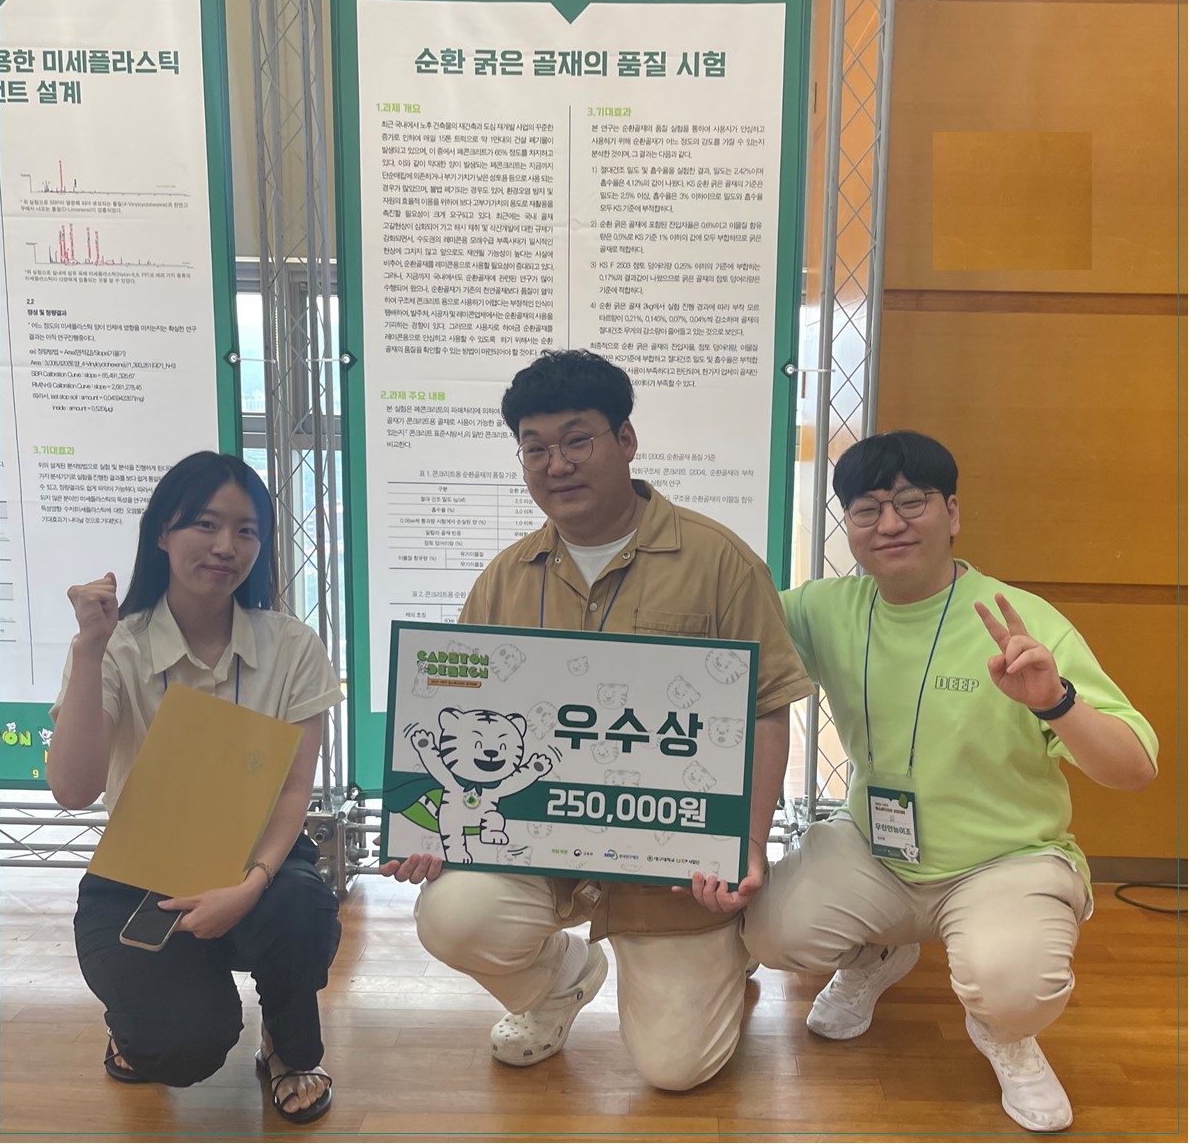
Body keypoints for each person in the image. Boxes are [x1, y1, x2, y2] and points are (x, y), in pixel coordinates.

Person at [383, 349, 813, 1090]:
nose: (557, 464)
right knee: (452, 916)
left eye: (577, 439)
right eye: (535, 447)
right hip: (539, 850)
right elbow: (455, 715)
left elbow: (766, 707)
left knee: (676, 1070)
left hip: (671, 868)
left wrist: (745, 840)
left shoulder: (719, 561)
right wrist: (424, 833)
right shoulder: (504, 578)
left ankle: (726, 953)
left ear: (626, 439)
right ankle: (559, 982)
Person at [742, 430, 1159, 1133]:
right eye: (867, 508)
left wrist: (1055, 702)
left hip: (1005, 858)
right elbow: (729, 635)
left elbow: (1134, 768)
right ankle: (879, 952)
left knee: (1013, 986)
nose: (890, 523)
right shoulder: (821, 608)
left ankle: (1006, 1034)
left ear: (953, 512)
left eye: (912, 501)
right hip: (876, 848)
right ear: (848, 526)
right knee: (771, 933)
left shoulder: (1019, 621)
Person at [48, 452, 344, 1124]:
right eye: (205, 524)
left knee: (301, 904)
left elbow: (294, 791)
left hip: (257, 859)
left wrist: (251, 884)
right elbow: (72, 788)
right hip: (139, 872)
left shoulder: (293, 646)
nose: (225, 546)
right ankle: (140, 1022)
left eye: (246, 530)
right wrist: (88, 649)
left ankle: (289, 1049)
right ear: (162, 532)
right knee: (183, 1047)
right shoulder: (117, 645)